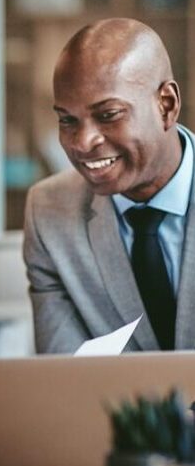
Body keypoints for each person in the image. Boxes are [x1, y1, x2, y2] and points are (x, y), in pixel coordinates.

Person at [23, 18, 195, 354]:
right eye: (67, 120)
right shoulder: (48, 212)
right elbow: (66, 373)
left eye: (109, 114)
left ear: (167, 105)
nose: (83, 142)